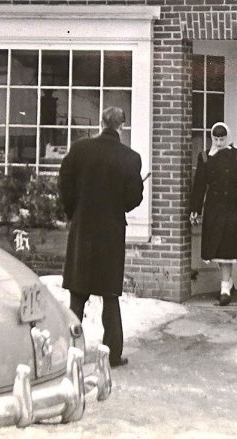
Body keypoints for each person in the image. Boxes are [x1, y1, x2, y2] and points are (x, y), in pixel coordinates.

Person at [59, 106, 143, 368]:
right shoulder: (130, 158)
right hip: (111, 231)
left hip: (83, 228)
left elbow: (65, 184)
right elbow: (133, 198)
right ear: (122, 126)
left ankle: (69, 351)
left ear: (101, 122)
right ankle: (113, 354)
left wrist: (75, 211)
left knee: (78, 294)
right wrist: (120, 205)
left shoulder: (80, 149)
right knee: (109, 295)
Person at [189, 122, 237, 306]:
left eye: (222, 139)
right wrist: (195, 209)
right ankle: (229, 281)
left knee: (227, 249)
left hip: (233, 207)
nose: (219, 142)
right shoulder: (205, 157)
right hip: (213, 207)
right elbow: (200, 185)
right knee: (216, 249)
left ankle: (225, 288)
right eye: (216, 139)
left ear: (228, 137)